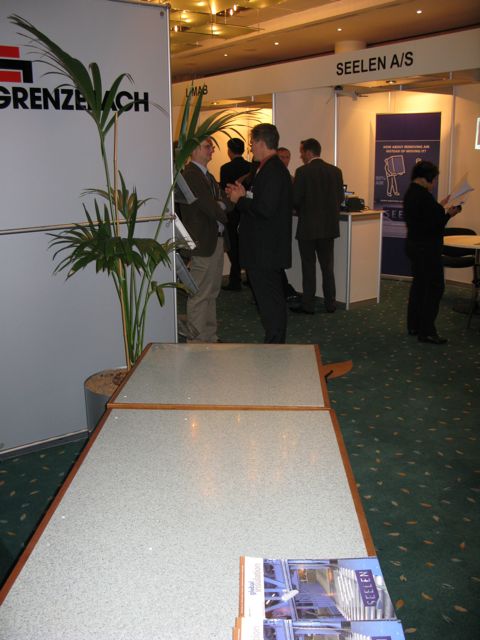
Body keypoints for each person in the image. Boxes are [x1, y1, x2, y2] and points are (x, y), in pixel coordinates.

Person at [226, 123, 293, 343]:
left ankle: (275, 343)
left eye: (253, 143)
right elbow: (263, 202)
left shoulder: (273, 170)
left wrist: (240, 200)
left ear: (262, 143)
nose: (251, 147)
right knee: (268, 301)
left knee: (270, 301)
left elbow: (265, 209)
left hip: (265, 250)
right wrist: (244, 194)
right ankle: (274, 341)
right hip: (264, 249)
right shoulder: (267, 168)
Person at [178, 137, 233, 343]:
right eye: (207, 147)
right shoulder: (191, 175)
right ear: (193, 150)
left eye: (212, 146)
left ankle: (209, 336)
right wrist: (224, 203)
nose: (212, 150)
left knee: (211, 292)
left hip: (215, 241)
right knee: (200, 294)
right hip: (202, 242)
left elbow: (225, 204)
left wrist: (223, 203)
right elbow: (212, 208)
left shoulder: (207, 175)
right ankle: (197, 341)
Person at [404, 160, 462, 344]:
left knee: (419, 286)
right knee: (435, 287)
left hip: (414, 245)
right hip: (427, 249)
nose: (434, 183)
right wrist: (449, 214)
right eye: (434, 179)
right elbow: (434, 225)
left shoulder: (411, 193)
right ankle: (427, 331)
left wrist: (440, 206)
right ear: (425, 178)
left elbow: (425, 217)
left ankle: (414, 325)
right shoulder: (424, 196)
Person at [292, 138, 344, 314]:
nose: (301, 156)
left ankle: (308, 304)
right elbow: (340, 198)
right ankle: (330, 304)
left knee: (309, 267)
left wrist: (302, 210)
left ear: (308, 152)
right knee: (327, 268)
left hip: (307, 227)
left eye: (302, 152)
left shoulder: (302, 172)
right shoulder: (335, 171)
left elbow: (296, 199)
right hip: (328, 227)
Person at [219, 138, 251, 291]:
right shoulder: (250, 167)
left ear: (229, 151)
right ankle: (249, 277)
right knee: (246, 243)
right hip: (246, 210)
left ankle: (235, 279)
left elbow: (224, 190)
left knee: (232, 244)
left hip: (232, 211)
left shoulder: (225, 168)